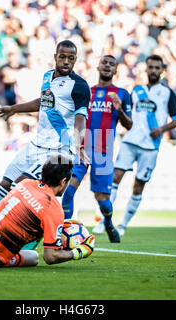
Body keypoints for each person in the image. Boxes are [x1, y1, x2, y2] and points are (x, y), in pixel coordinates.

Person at [0, 40, 91, 212]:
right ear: (55, 57)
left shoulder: (80, 86)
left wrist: (79, 145)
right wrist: (14, 109)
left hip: (56, 149)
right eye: (62, 57)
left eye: (70, 58)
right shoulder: (47, 76)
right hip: (36, 144)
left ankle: (9, 230)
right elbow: (43, 102)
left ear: (75, 60)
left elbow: (80, 117)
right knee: (5, 184)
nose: (66, 61)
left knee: (19, 187)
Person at [61, 55, 133, 243]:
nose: (107, 66)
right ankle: (65, 231)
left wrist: (119, 109)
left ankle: (108, 222)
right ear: (98, 67)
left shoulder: (122, 94)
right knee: (68, 190)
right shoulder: (87, 91)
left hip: (103, 149)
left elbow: (129, 125)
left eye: (112, 64)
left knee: (102, 198)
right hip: (82, 149)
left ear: (116, 70)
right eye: (105, 63)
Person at [111, 55, 176, 236]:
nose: (154, 71)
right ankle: (106, 220)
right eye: (151, 67)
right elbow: (129, 115)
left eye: (157, 68)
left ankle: (123, 224)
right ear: (146, 69)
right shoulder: (137, 90)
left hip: (151, 145)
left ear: (162, 70)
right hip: (131, 140)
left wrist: (162, 129)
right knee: (115, 177)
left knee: (138, 185)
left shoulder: (167, 93)